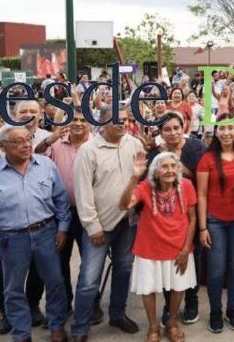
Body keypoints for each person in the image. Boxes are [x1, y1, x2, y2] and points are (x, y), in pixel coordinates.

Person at [0, 125, 71, 342]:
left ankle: (57, 325)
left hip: (46, 233)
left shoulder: (46, 166)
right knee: (13, 289)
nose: (26, 145)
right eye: (18, 141)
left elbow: (61, 200)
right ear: (3, 147)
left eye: (28, 140)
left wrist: (62, 229)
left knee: (55, 281)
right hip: (11, 239)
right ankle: (21, 333)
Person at [71, 106, 144, 341]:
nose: (122, 124)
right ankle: (80, 327)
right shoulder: (88, 151)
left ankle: (117, 314)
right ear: (101, 122)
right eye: (116, 120)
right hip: (99, 226)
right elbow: (82, 193)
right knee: (89, 280)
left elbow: (140, 179)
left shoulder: (134, 144)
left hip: (127, 224)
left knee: (123, 270)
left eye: (125, 119)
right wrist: (92, 227)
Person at [120, 152, 197, 342]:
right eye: (164, 166)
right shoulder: (145, 187)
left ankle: (171, 322)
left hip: (178, 247)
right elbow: (123, 206)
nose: (170, 170)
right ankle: (153, 326)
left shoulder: (186, 185)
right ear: (155, 171)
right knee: (148, 289)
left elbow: (192, 217)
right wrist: (135, 176)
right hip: (149, 248)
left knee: (179, 287)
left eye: (173, 166)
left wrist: (186, 248)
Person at [35, 107, 95, 319]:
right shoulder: (57, 144)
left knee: (90, 262)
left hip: (89, 214)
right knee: (60, 262)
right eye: (74, 120)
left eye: (82, 120)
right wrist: (49, 139)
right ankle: (64, 305)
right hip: (61, 214)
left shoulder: (96, 145)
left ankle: (90, 305)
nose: (78, 123)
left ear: (90, 124)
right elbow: (34, 156)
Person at [146, 112, 205, 325]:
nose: (172, 133)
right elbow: (150, 180)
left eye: (176, 128)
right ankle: (168, 305)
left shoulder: (196, 147)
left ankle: (191, 300)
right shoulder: (155, 152)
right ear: (161, 132)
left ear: (184, 127)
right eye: (167, 129)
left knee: (191, 256)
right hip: (164, 216)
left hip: (190, 210)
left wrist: (172, 160)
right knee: (166, 262)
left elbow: (200, 177)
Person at [196, 116, 234, 333]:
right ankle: (215, 311)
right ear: (216, 132)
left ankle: (233, 309)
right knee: (217, 270)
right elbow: (201, 195)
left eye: (230, 128)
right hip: (214, 221)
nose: (226, 132)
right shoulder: (207, 159)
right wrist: (202, 227)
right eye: (222, 128)